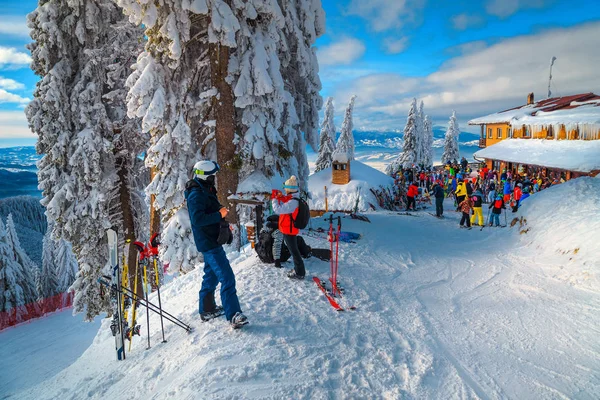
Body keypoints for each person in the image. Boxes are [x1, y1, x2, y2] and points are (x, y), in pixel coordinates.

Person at [185, 160, 247, 328]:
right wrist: (219, 215)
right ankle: (234, 315)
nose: (214, 178)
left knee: (211, 276)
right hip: (208, 242)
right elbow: (197, 219)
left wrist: (221, 214)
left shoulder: (204, 188)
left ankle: (207, 309)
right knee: (227, 277)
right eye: (212, 175)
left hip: (211, 239)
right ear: (205, 176)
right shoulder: (196, 194)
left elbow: (210, 207)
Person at [271, 175, 305, 280]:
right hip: (288, 229)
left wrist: (274, 199)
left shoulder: (293, 202)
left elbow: (278, 209)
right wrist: (281, 197)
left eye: (286, 189)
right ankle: (298, 270)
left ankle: (300, 272)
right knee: (293, 250)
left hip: (289, 230)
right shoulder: (293, 198)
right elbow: (286, 200)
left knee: (294, 251)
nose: (285, 191)